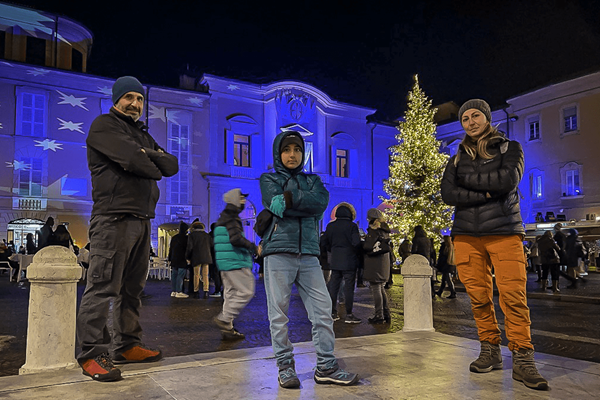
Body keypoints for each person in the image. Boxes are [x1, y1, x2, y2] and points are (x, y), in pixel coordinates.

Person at [76, 76, 179, 382]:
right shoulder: (103, 126)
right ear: (117, 99)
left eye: (140, 99)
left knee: (132, 288)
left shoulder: (142, 135)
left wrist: (145, 157)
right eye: (129, 97)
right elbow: (138, 162)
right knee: (103, 286)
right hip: (113, 217)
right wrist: (145, 159)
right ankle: (92, 353)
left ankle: (127, 344)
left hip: (142, 218)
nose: (135, 104)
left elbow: (171, 166)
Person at [441, 99, 548, 390]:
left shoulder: (509, 148)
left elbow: (507, 180)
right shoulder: (456, 157)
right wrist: (487, 193)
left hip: (504, 231)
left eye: (476, 115)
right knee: (478, 297)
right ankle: (489, 349)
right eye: (465, 118)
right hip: (465, 235)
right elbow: (448, 194)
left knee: (514, 296)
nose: (471, 121)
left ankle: (523, 357)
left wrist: (470, 184)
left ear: (487, 118)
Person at [260, 130, 359, 389]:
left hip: (309, 255)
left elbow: (321, 203)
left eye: (297, 150)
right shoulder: (269, 178)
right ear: (278, 153)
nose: (292, 155)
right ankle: (285, 367)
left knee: (323, 311)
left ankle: (326, 366)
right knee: (279, 315)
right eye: (287, 150)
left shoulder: (314, 179)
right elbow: (277, 205)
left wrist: (291, 198)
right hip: (278, 252)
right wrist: (301, 202)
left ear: (303, 154)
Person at [212, 188, 259, 340]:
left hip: (225, 263)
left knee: (230, 294)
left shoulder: (222, 218)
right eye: (241, 199)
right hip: (235, 260)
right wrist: (253, 246)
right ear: (234, 201)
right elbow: (235, 239)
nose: (244, 201)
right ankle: (224, 319)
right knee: (246, 291)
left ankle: (228, 329)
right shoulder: (232, 219)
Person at [321, 202, 362, 324]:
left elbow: (324, 242)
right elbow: (356, 243)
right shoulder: (352, 226)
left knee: (334, 287)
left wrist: (332, 249)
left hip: (335, 259)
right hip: (349, 260)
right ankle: (349, 314)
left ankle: (333, 312)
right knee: (349, 288)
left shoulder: (331, 226)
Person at [362, 208, 392, 323]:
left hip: (375, 264)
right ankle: (386, 312)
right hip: (383, 263)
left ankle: (379, 315)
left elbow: (368, 247)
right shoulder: (385, 230)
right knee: (381, 288)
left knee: (376, 288)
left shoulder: (374, 231)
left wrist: (367, 237)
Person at [186, 221, 213, 298]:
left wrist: (187, 257)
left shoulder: (192, 235)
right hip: (206, 257)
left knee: (196, 275)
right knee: (205, 275)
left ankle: (196, 291)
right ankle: (206, 290)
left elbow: (189, 247)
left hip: (196, 257)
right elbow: (211, 245)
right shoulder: (207, 235)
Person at [168, 222, 190, 299]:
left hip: (174, 259)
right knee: (180, 275)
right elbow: (188, 249)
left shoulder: (174, 237)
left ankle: (173, 291)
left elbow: (170, 249)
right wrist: (188, 258)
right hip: (182, 259)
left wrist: (169, 258)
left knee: (174, 275)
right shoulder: (186, 238)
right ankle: (179, 291)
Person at [411, 225, 434, 294]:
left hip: (419, 259)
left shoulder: (416, 239)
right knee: (428, 276)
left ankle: (421, 290)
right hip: (428, 259)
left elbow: (414, 250)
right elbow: (431, 250)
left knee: (419, 276)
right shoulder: (427, 239)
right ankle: (432, 291)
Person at [208, 222, 222, 297]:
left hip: (213, 257)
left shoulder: (210, 235)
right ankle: (221, 289)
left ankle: (217, 290)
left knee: (215, 274)